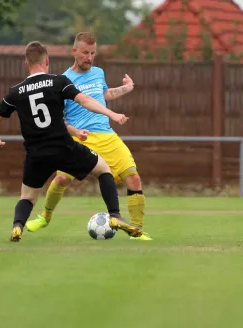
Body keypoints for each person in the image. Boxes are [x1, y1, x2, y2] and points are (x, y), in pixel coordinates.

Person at [0, 41, 142, 242]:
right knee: (103, 170)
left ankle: (17, 226)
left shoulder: (16, 91)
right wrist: (110, 113)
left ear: (26, 63)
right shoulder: (58, 81)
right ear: (47, 61)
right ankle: (115, 215)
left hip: (36, 154)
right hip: (63, 147)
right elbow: (85, 101)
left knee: (27, 196)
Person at [25, 32, 151, 240]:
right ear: (74, 51)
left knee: (134, 179)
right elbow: (57, 118)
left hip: (107, 136)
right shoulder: (63, 80)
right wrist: (73, 132)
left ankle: (136, 230)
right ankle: (45, 217)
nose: (89, 57)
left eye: (93, 53)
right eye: (85, 53)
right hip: (79, 138)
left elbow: (103, 96)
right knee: (62, 178)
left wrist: (126, 88)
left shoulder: (98, 73)